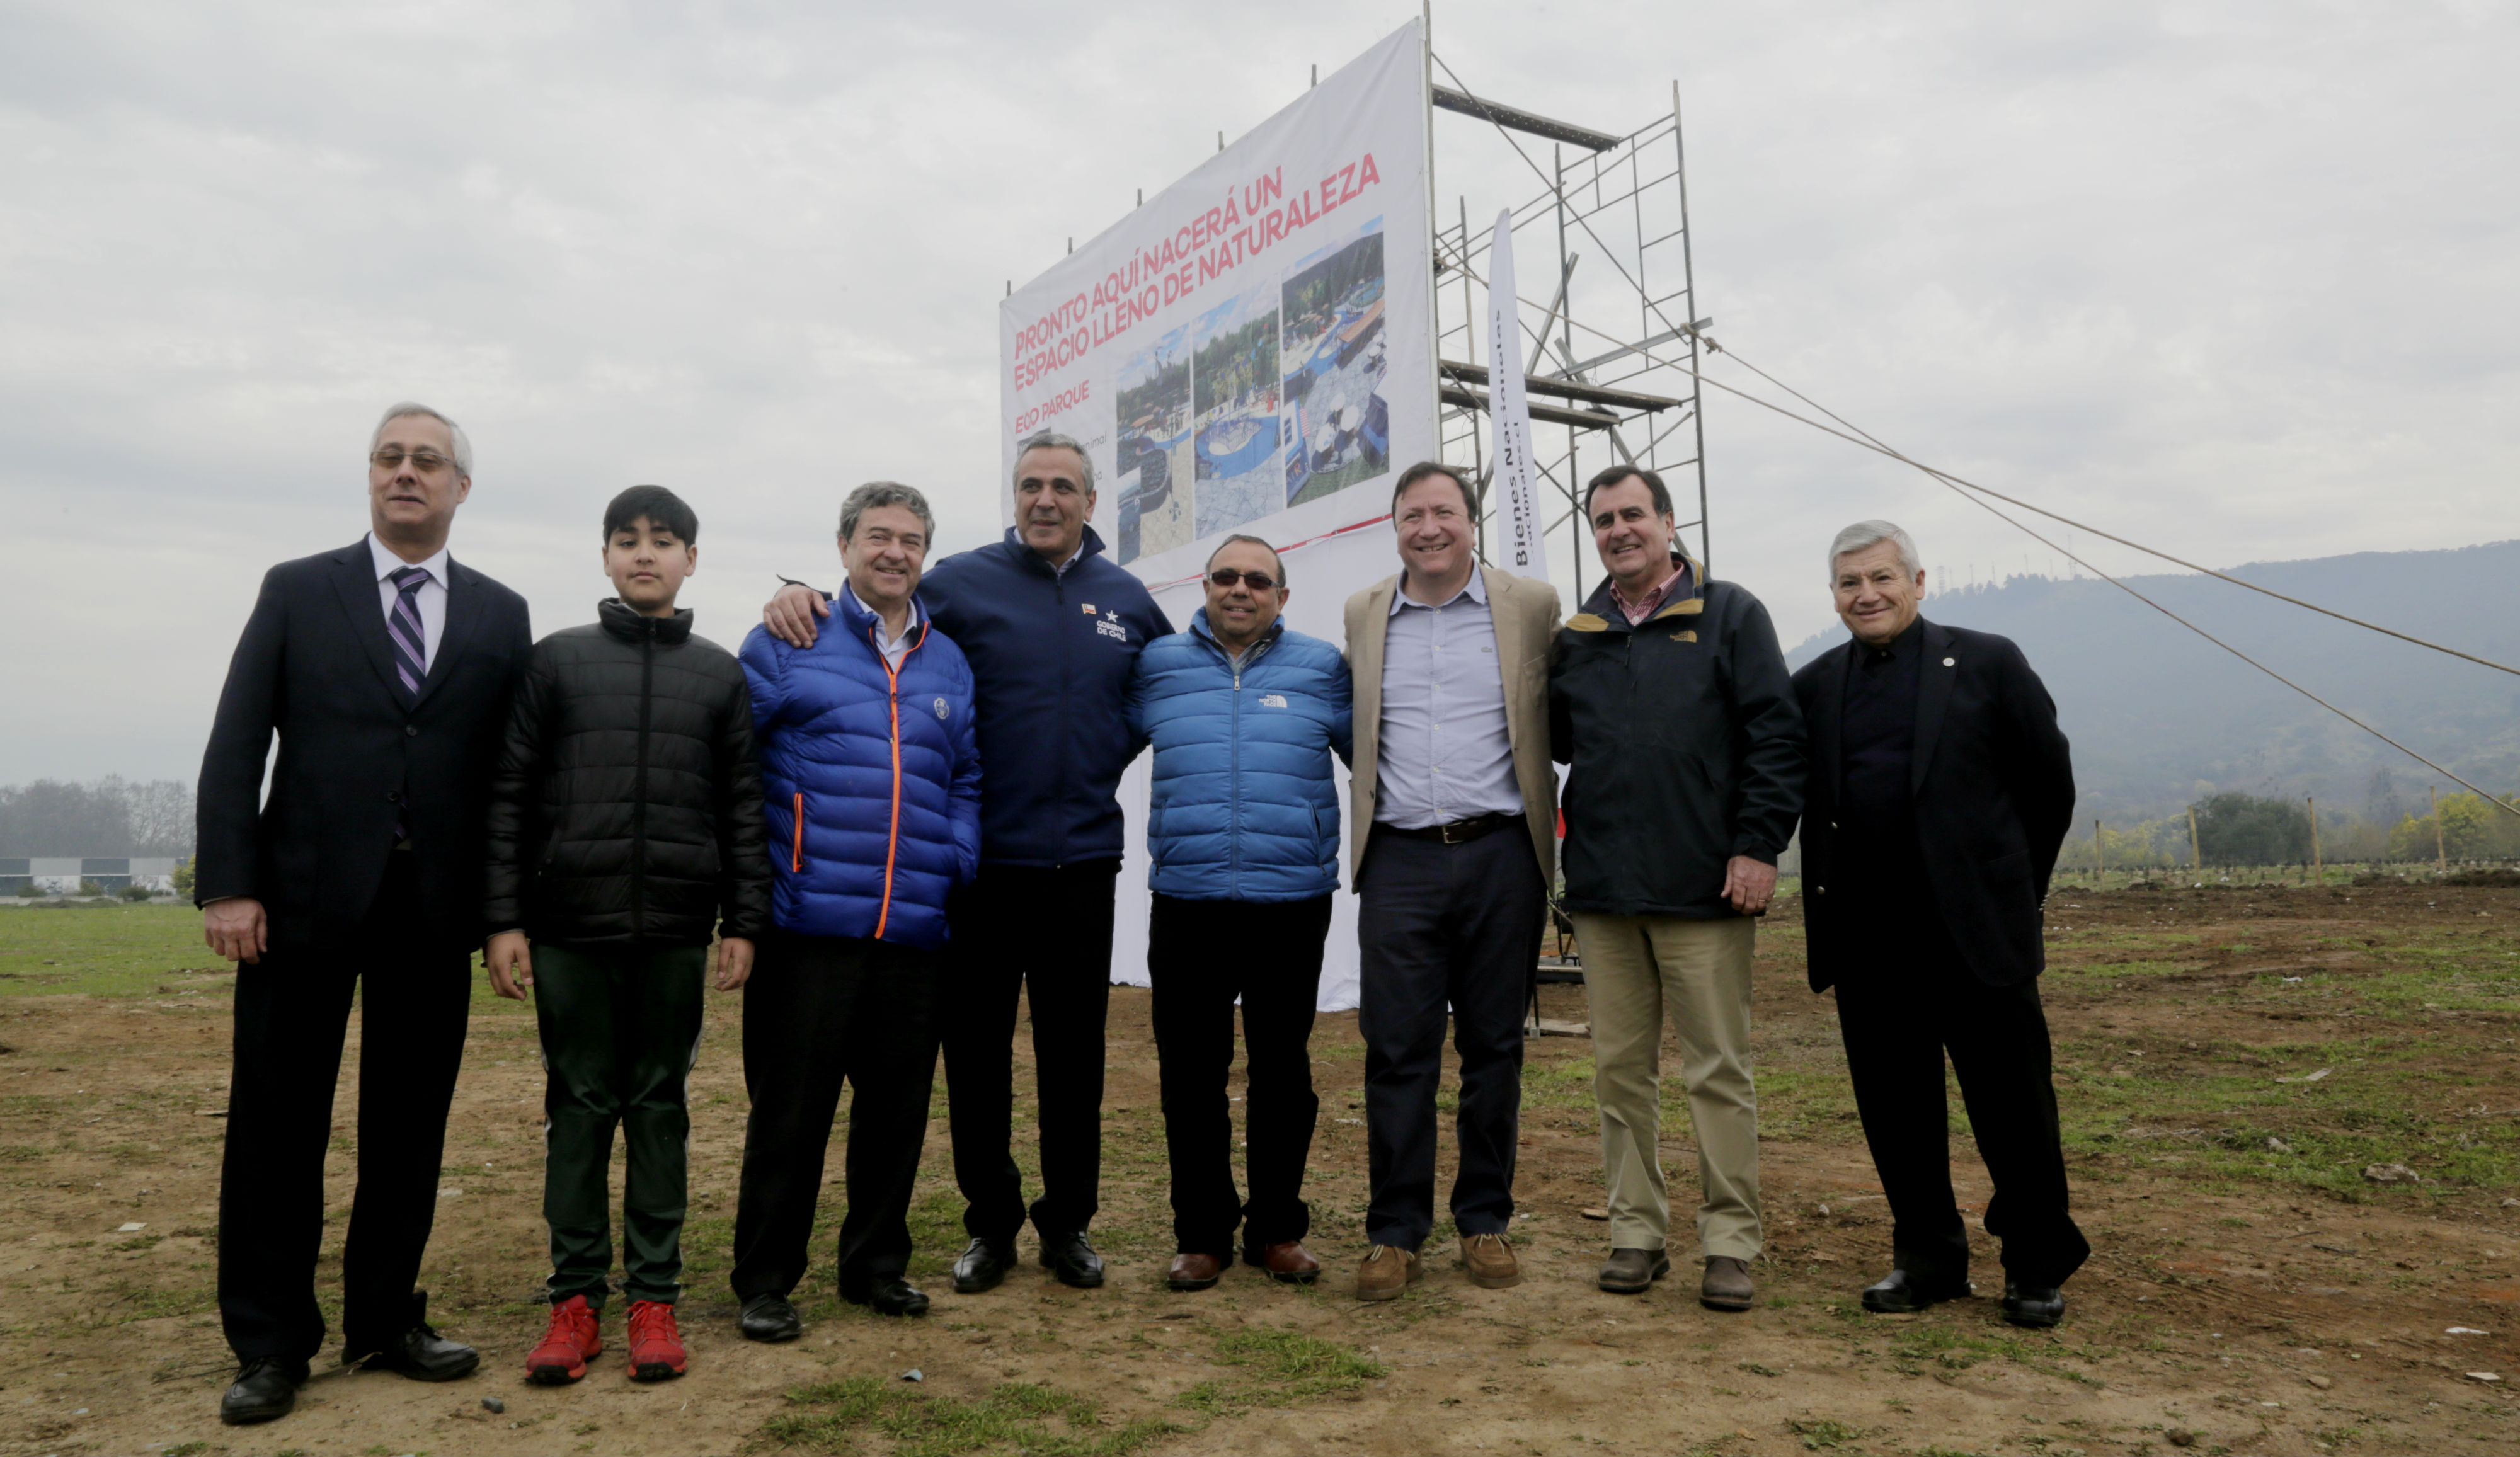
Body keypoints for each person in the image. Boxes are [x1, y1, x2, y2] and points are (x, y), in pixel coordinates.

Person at [760, 432, 1170, 1293]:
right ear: (1013, 499)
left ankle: (1069, 1224)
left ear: (1092, 503)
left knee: (1074, 1059)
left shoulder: (1127, 599)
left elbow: (1149, 699)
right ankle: (991, 1225)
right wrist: (792, 594)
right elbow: (878, 610)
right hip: (982, 874)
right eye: (1030, 485)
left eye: (1064, 486)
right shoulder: (963, 582)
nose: (1046, 499)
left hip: (1083, 867)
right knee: (975, 1059)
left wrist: (1095, 758)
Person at [195, 403, 532, 1425]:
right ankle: (270, 1340)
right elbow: (235, 740)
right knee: (275, 1126)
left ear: (460, 487)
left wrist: (506, 908)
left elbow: (512, 775)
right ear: (371, 476)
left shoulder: (499, 613)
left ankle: (386, 1316)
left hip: (431, 913)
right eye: (390, 457)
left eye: (428, 461)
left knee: (407, 1126)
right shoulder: (298, 590)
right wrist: (228, 881)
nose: (406, 473)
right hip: (297, 905)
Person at [481, 484, 772, 1384]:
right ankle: (574, 1302)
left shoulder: (721, 674)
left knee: (659, 1112)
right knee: (577, 1112)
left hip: (678, 935)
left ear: (692, 558)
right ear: (604, 556)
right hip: (569, 930)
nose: (646, 554)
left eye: (665, 541)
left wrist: (744, 923)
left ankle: (655, 1299)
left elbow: (744, 811)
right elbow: (510, 801)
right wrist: (503, 920)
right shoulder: (556, 663)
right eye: (627, 540)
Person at [1791, 520, 2085, 1328]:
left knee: (2015, 1109)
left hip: (1978, 936)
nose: (1867, 594)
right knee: (1897, 1114)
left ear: (1919, 583)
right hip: (1870, 940)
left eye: (1882, 578)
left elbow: (2048, 787)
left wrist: (2017, 892)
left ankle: (2034, 1265)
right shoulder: (1815, 686)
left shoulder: (1989, 661)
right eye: (1850, 583)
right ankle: (1927, 1261)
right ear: (1834, 595)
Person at [1548, 465, 1804, 1310]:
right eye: (1603, 520)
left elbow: (1775, 734)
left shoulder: (1729, 613)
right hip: (1606, 894)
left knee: (1716, 1072)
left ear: (1667, 522)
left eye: (1633, 515)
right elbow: (1547, 741)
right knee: (1620, 1073)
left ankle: (1730, 1243)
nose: (1618, 530)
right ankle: (1636, 1233)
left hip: (1707, 889)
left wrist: (1759, 845)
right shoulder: (1577, 636)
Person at [731, 481, 982, 1336]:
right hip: (808, 927)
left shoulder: (947, 660)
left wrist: (957, 855)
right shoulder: (784, 641)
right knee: (789, 1118)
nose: (895, 553)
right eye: (879, 536)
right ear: (843, 547)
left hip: (914, 928)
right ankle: (766, 1280)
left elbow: (968, 777)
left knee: (896, 1115)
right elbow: (732, 768)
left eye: (912, 540)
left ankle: (875, 1266)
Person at [1339, 461, 1561, 1300]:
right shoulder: (1365, 612)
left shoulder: (1531, 607)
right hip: (1399, 858)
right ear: (1394, 527)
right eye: (1411, 515)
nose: (1427, 528)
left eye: (1444, 512)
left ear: (1472, 521)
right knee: (1397, 1050)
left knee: (1494, 1046)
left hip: (1503, 851)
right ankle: (1395, 1232)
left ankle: (1484, 1220)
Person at [1125, 534, 1352, 1292]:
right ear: (1205, 586)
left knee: (1282, 1073)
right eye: (1225, 576)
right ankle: (1201, 1235)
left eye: (1258, 579)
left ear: (1282, 597)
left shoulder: (1322, 668)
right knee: (1190, 1075)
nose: (1240, 589)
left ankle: (1277, 1230)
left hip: (1291, 900)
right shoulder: (1157, 667)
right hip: (1187, 899)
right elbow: (1091, 747)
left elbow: (1379, 756)